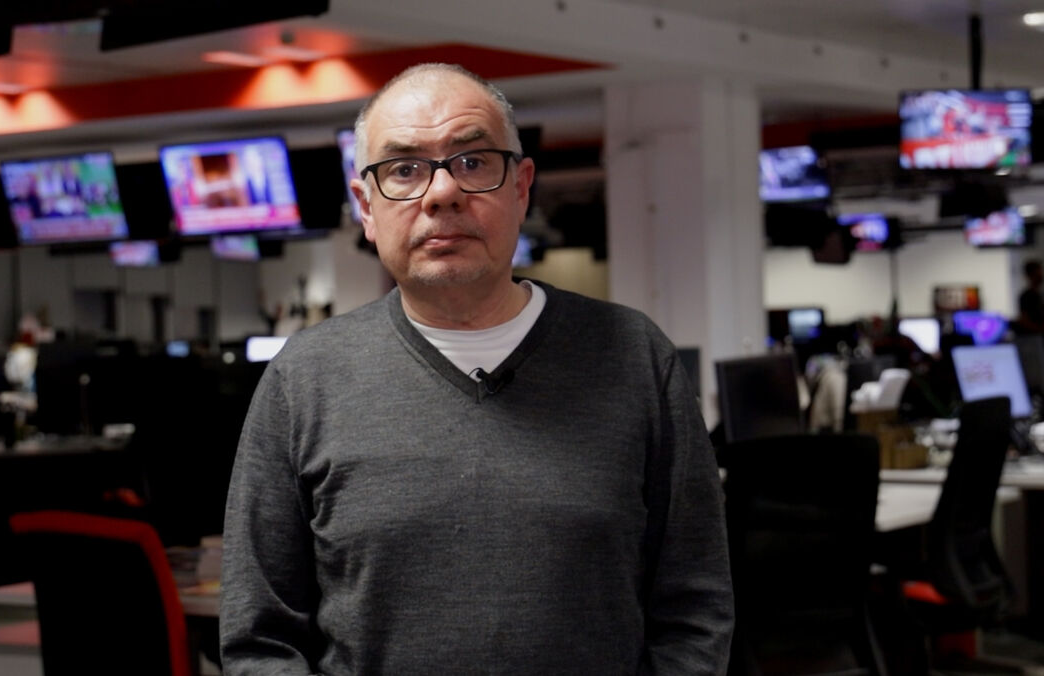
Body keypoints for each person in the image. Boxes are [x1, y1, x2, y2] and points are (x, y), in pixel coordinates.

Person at [220, 63, 733, 675]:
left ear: (521, 187)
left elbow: (695, 608)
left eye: (472, 162)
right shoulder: (303, 379)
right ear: (365, 207)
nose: (442, 193)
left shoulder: (635, 357)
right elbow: (260, 640)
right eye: (403, 169)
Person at [1018, 259, 1044, 334]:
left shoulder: (1040, 294)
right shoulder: (1026, 296)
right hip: (1033, 336)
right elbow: (1024, 320)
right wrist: (1040, 329)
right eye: (1038, 273)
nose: (1041, 275)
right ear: (1030, 275)